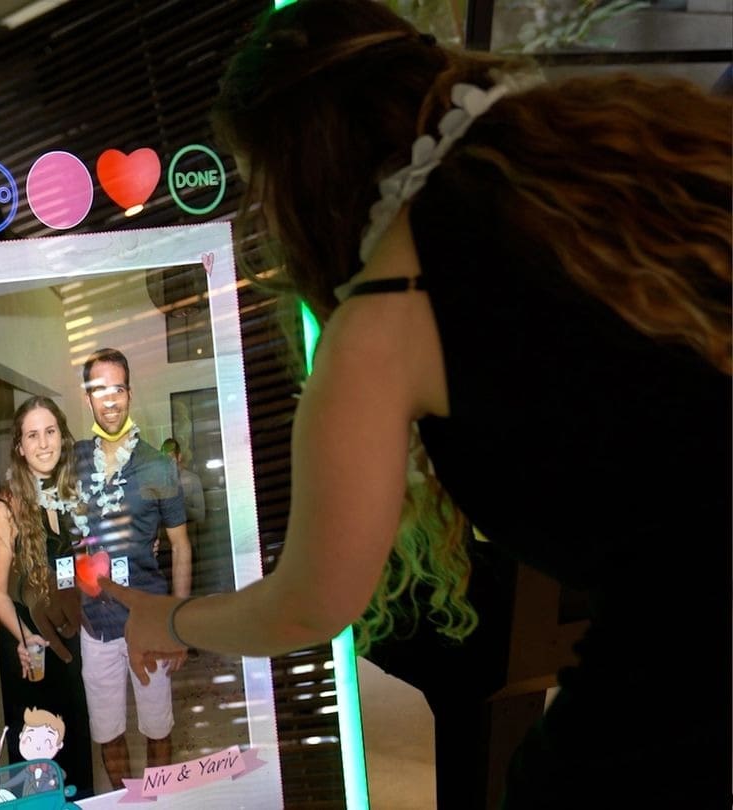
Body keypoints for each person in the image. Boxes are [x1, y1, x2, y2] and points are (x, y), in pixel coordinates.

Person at [103, 1, 731, 806]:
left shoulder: (385, 318)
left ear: (297, 173)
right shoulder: (601, 147)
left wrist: (168, 620)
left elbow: (307, 606)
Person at [73, 348, 191, 788]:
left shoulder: (159, 466)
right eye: (99, 389)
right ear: (87, 397)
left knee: (158, 727)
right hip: (96, 625)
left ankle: (157, 800)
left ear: (129, 393)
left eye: (117, 388)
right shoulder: (73, 462)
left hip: (150, 621)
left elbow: (180, 546)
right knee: (108, 732)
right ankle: (129, 802)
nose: (109, 399)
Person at [0, 396, 94, 798]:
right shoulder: (7, 508)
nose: (43, 443)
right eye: (33, 435)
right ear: (20, 446)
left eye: (50, 432)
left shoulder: (73, 496)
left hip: (70, 635)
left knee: (74, 737)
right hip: (28, 646)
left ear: (62, 439)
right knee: (36, 742)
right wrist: (23, 637)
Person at [158, 438, 206, 591]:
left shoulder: (192, 480)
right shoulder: (158, 484)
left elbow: (201, 515)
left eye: (171, 458)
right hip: (164, 551)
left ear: (179, 457)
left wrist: (178, 506)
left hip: (189, 545)